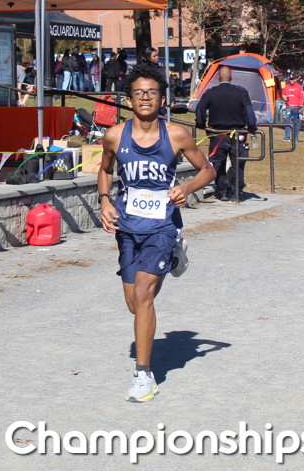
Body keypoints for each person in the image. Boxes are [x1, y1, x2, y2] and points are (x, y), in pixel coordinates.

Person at [97, 63, 215, 402]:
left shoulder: (176, 135)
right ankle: (174, 257)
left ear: (162, 99)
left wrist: (187, 187)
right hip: (127, 225)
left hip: (162, 225)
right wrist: (104, 200)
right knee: (134, 304)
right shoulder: (114, 135)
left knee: (144, 295)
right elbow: (105, 170)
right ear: (129, 99)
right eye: (139, 92)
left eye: (152, 92)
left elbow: (208, 170)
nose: (145, 98)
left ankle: (144, 374)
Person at [195, 66, 257, 202]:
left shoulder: (211, 92)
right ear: (231, 77)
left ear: (218, 77)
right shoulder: (241, 92)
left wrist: (200, 123)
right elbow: (249, 111)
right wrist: (252, 126)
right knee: (238, 163)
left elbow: (200, 108)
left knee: (218, 163)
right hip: (237, 133)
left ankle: (222, 191)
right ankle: (236, 191)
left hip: (217, 134)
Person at [281, 74, 304, 142]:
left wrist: (300, 106)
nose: (291, 80)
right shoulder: (287, 86)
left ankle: (295, 137)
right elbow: (283, 94)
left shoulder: (299, 87)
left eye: (292, 79)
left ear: (296, 79)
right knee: (286, 120)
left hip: (296, 107)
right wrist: (284, 97)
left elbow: (301, 97)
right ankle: (287, 136)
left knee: (296, 122)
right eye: (290, 79)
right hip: (288, 107)